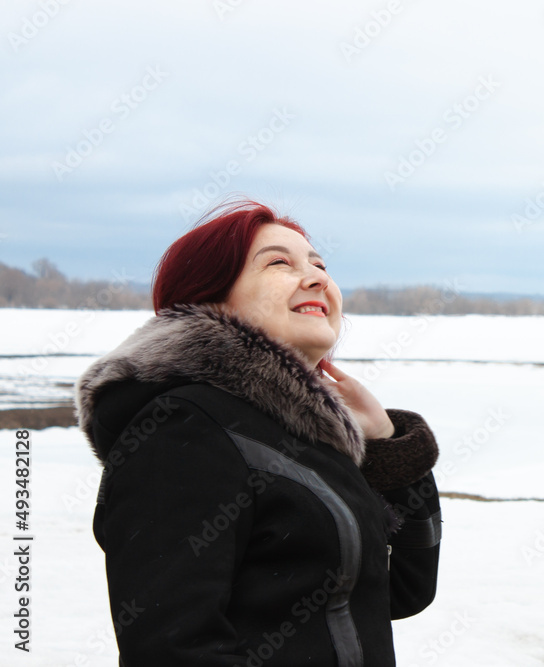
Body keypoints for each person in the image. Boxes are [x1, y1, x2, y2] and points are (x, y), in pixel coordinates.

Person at [74, 200, 442, 666]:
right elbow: (172, 648)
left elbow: (401, 591)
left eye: (319, 264)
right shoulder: (183, 428)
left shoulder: (302, 435)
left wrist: (388, 444)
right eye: (279, 263)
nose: (316, 278)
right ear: (210, 297)